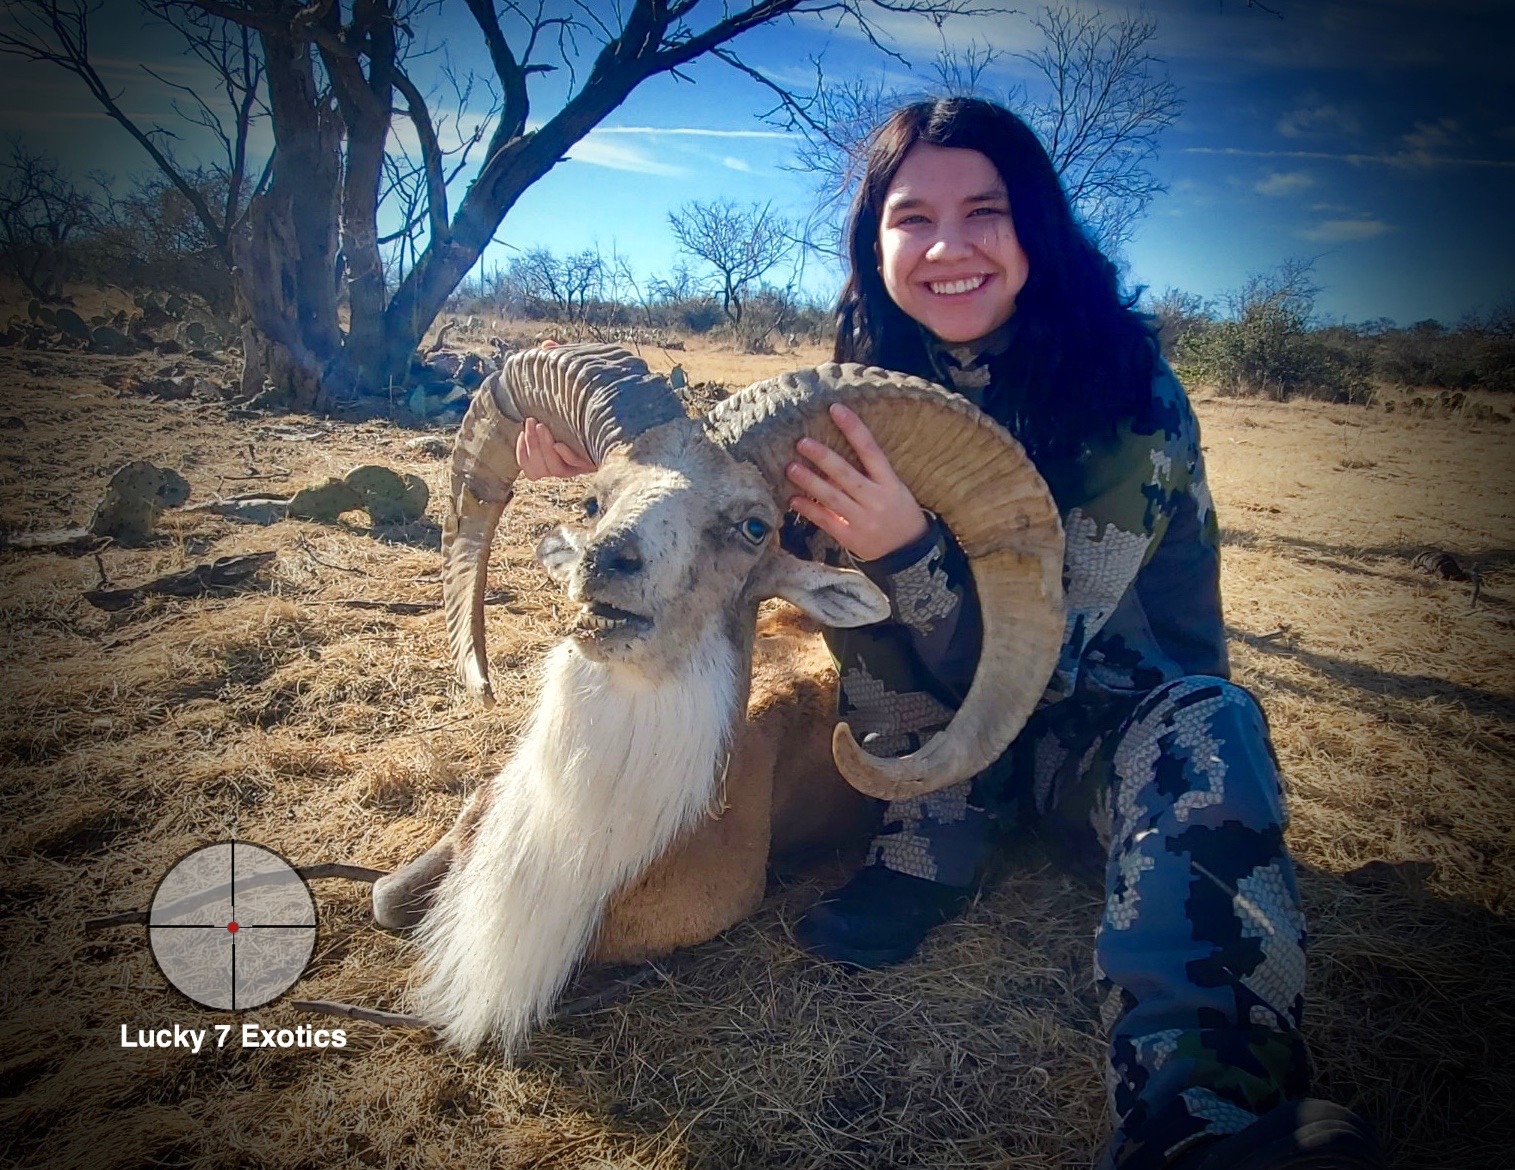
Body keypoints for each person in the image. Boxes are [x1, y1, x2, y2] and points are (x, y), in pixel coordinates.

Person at [514, 97, 1383, 1170]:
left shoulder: (1129, 405)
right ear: (873, 242)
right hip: (919, 757)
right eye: (911, 217)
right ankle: (929, 846)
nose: (947, 246)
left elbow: (1050, 669)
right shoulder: (866, 386)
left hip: (1101, 742)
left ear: (1038, 229)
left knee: (1216, 722)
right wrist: (613, 487)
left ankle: (1198, 1114)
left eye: (985, 211)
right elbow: (722, 507)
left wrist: (909, 549)